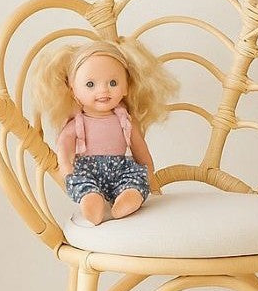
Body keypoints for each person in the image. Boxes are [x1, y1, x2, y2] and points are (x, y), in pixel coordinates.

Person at [33, 38, 178, 224]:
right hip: (88, 169)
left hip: (120, 168)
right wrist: (68, 171)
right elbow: (64, 146)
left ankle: (129, 196)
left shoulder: (124, 120)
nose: (103, 90)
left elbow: (140, 149)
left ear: (126, 86)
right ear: (73, 89)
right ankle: (91, 199)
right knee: (82, 182)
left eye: (113, 83)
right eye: (90, 85)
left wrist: (149, 174)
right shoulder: (77, 122)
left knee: (136, 177)